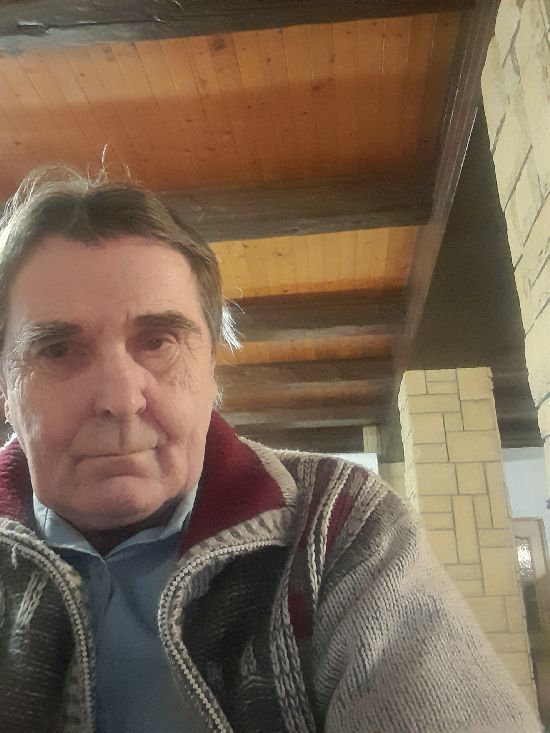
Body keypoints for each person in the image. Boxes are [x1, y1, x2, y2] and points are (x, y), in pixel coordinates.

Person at [0, 166, 541, 733]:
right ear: (6, 389)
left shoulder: (338, 523)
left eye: (157, 342)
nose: (119, 398)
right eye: (57, 349)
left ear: (210, 369)